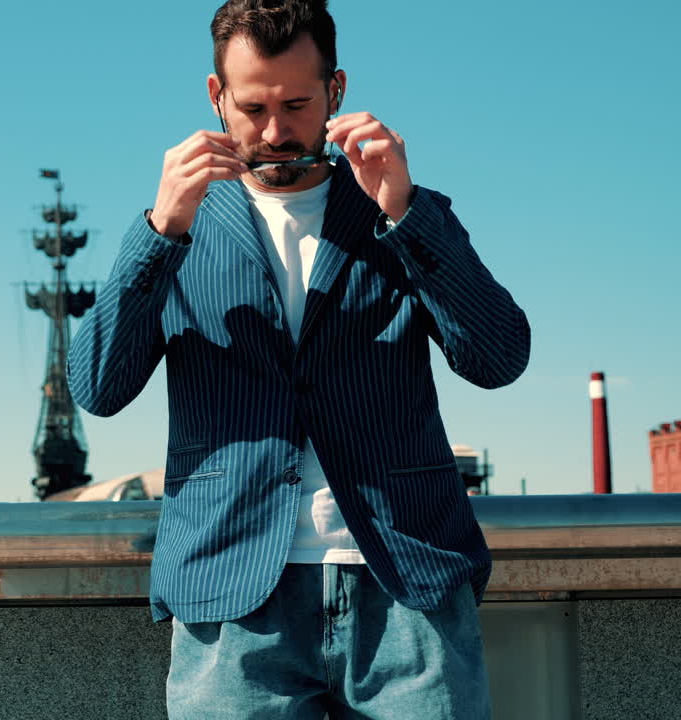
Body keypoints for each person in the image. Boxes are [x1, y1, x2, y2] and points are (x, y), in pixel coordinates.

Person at [67, 0, 530, 717]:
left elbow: (498, 357)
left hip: (407, 590)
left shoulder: (404, 210)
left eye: (298, 104)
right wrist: (160, 230)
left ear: (337, 93)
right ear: (216, 96)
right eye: (253, 107)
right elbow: (96, 386)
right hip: (234, 598)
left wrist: (405, 214)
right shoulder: (178, 227)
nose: (277, 131)